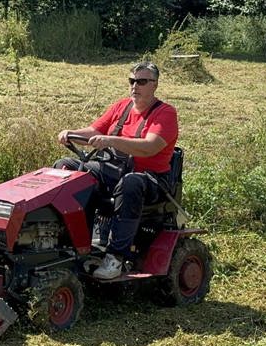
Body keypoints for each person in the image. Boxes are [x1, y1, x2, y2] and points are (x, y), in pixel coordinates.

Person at [55, 61, 179, 280]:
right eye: (132, 81)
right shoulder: (121, 106)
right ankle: (74, 244)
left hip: (151, 179)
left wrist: (111, 140)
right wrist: (71, 133)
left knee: (131, 183)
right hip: (112, 169)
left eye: (142, 81)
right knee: (66, 168)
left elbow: (150, 147)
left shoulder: (165, 113)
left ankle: (115, 258)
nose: (135, 86)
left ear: (155, 85)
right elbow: (94, 131)